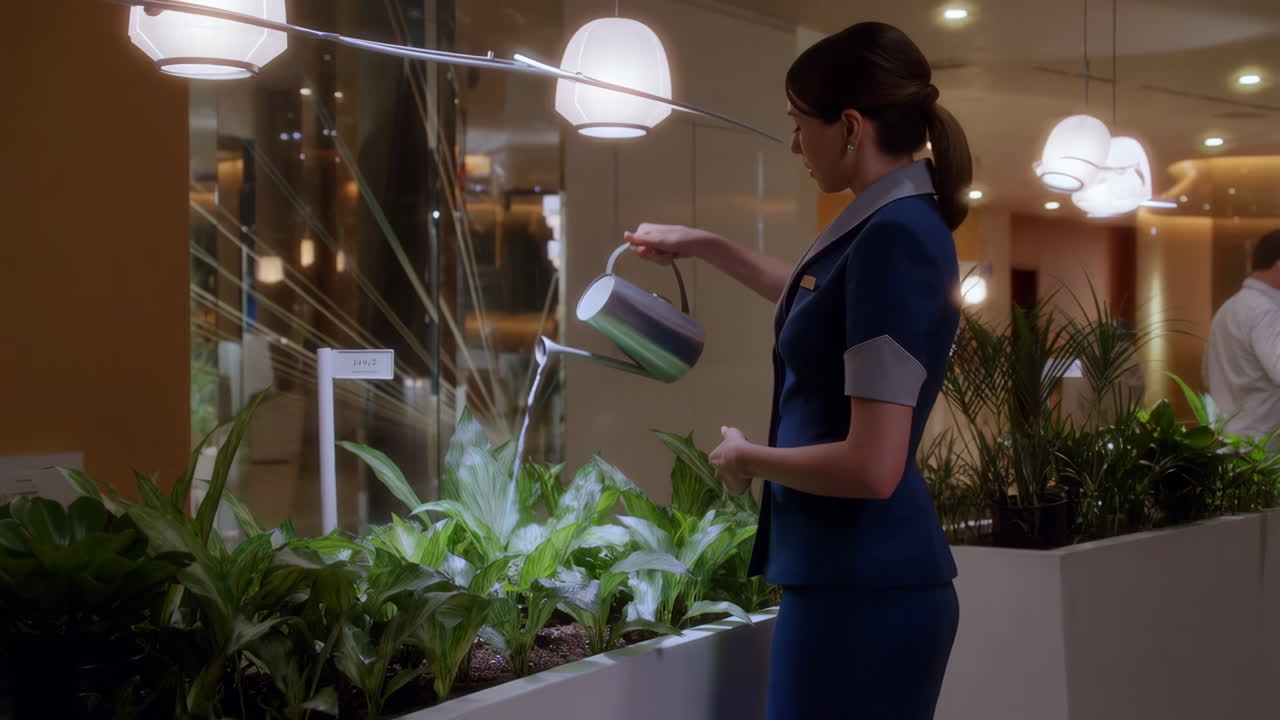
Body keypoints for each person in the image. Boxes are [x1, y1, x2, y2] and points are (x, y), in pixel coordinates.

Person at [625, 21, 969, 720]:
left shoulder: (895, 237)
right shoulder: (887, 226)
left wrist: (748, 458)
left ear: (850, 127)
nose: (793, 144)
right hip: (852, 580)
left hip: (865, 589)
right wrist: (702, 244)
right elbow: (818, 297)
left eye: (799, 124)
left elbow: (874, 466)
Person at [1205, 229, 1280, 441]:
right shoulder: (1267, 312)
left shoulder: (1227, 309)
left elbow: (1206, 375)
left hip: (1228, 440)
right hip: (1263, 447)